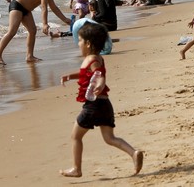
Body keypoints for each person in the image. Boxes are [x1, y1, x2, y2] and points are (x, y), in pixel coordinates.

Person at [59, 21, 143, 178]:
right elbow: (87, 74)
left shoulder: (93, 60)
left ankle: (77, 169)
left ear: (88, 44)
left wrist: (100, 84)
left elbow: (99, 75)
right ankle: (134, 152)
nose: (78, 44)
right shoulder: (96, 57)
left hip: (93, 105)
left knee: (75, 136)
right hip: (105, 104)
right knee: (110, 138)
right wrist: (71, 76)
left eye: (80, 41)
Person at [0, 0, 72, 64]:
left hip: (26, 10)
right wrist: (44, 24)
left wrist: (65, 19)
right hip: (17, 6)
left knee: (32, 30)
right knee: (12, 31)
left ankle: (29, 56)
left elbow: (54, 8)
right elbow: (44, 7)